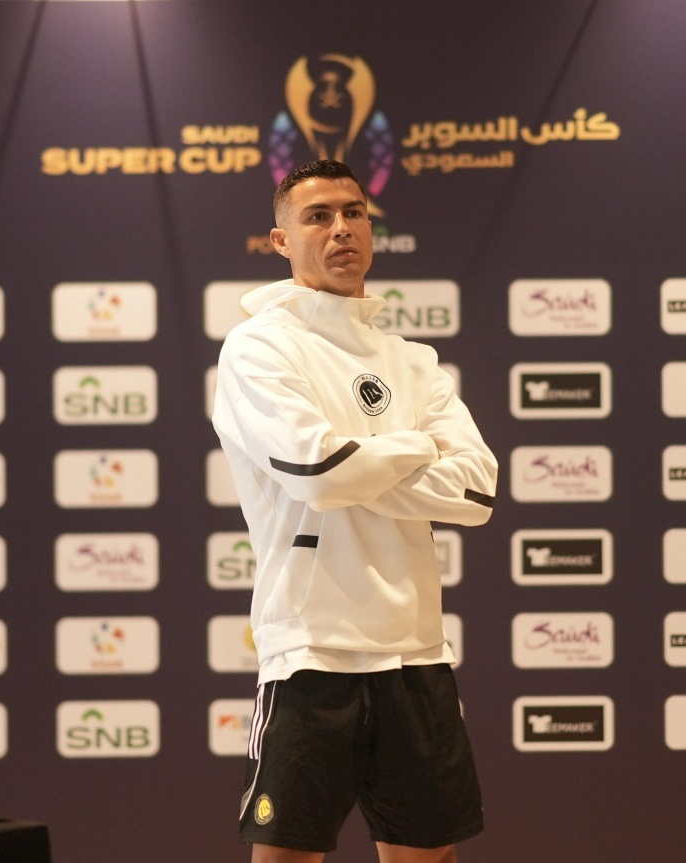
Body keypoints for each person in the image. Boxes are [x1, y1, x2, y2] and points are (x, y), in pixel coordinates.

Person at [212, 159, 498, 863]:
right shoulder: (258, 346)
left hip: (416, 652)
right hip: (311, 652)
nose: (341, 228)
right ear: (281, 241)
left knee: (430, 857)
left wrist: (360, 462)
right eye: (317, 216)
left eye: (354, 213)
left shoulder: (414, 362)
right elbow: (316, 471)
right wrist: (417, 446)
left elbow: (476, 491)